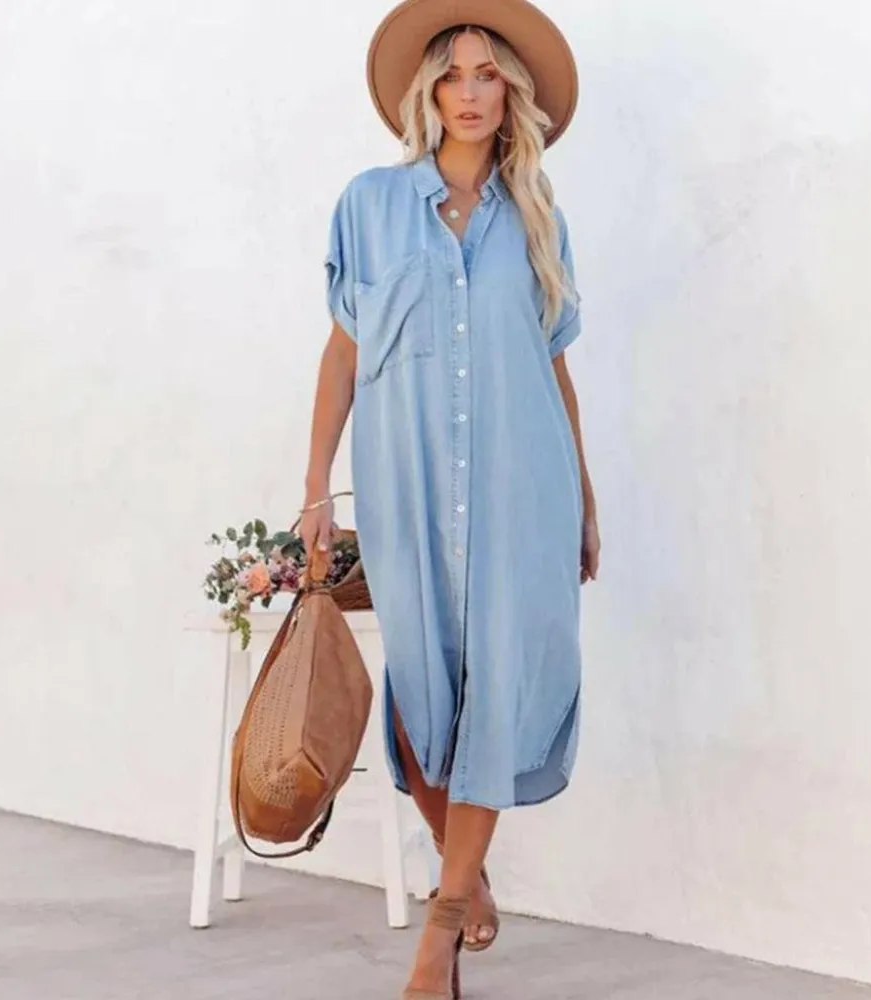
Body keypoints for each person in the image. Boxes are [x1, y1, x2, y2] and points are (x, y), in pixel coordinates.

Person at [299, 1, 599, 995]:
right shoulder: (370, 204)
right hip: (408, 491)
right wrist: (314, 489)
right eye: (453, 74)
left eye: (487, 74)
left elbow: (553, 368)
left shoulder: (538, 218)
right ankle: (466, 876)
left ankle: (439, 930)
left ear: (511, 94)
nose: (470, 93)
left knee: (496, 693)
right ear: (426, 92)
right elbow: (343, 354)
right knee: (422, 703)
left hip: (523, 492)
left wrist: (585, 496)